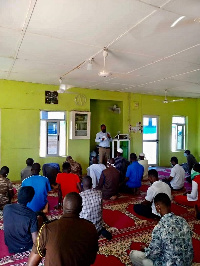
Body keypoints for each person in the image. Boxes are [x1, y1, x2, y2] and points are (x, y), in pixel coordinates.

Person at [27, 192, 99, 266]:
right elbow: (91, 260)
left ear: (62, 207)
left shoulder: (47, 229)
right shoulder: (91, 228)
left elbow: (31, 264)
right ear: (80, 209)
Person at [130, 193, 193, 266]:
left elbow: (153, 255)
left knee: (134, 255)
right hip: (187, 262)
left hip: (169, 263)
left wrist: (146, 249)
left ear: (158, 207)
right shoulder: (183, 221)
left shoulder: (159, 227)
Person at [3, 186, 38, 253]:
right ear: (30, 200)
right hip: (25, 246)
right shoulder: (32, 215)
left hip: (10, 245)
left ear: (17, 195)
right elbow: (35, 240)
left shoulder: (6, 208)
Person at [80, 176, 112, 240]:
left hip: (86, 230)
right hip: (98, 227)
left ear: (82, 185)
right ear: (92, 184)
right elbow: (101, 208)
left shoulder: (80, 196)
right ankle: (100, 231)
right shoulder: (99, 193)